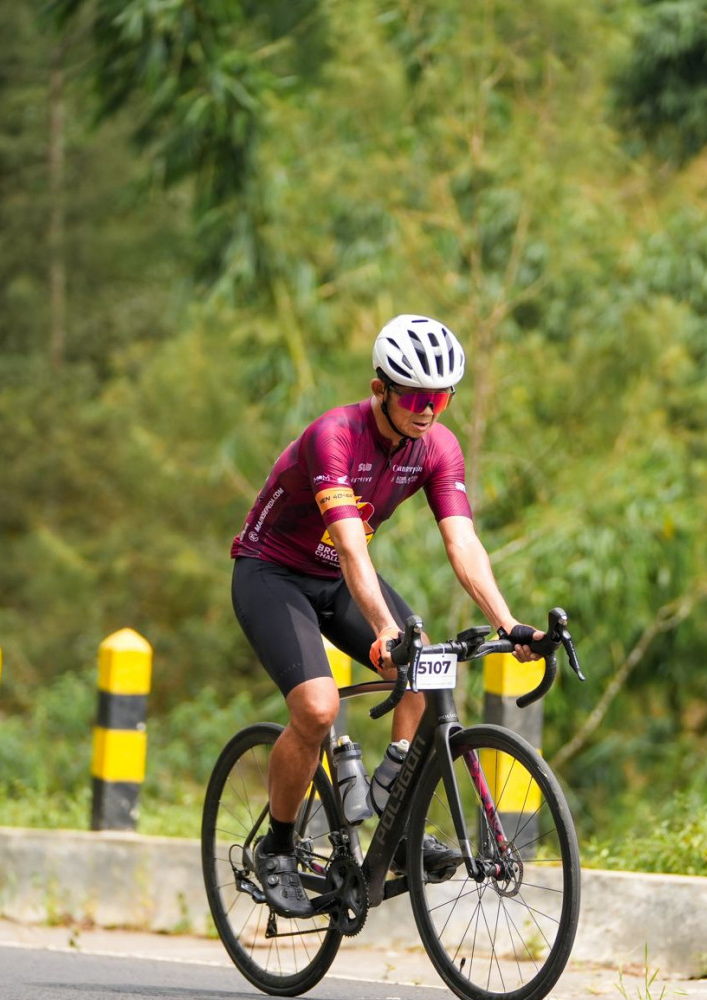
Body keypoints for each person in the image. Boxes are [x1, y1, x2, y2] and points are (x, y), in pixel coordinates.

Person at [230, 314, 544, 918]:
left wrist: (508, 622)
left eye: (442, 398)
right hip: (272, 573)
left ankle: (395, 822)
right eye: (417, 398)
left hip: (336, 578)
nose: (429, 412)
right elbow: (351, 545)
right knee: (317, 708)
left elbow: (463, 543)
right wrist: (384, 628)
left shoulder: (437, 447)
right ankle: (277, 847)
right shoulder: (334, 436)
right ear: (381, 389)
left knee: (427, 670)